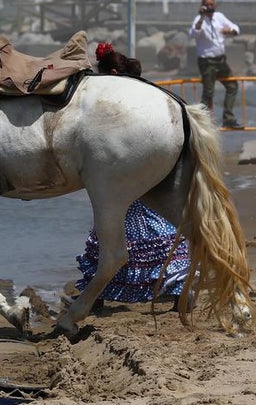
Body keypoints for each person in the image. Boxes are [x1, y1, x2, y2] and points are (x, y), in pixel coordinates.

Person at [74, 43, 191, 308]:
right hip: (144, 172)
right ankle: (179, 289)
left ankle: (96, 296)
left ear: (112, 73)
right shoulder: (143, 96)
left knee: (114, 230)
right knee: (151, 226)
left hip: (124, 176)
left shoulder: (121, 103)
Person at [188, 0, 245, 129]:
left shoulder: (219, 16)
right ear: (202, 5)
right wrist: (202, 17)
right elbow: (194, 33)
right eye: (207, 4)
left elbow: (236, 28)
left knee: (232, 86)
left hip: (221, 60)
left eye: (212, 4)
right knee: (208, 92)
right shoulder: (198, 20)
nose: (210, 7)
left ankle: (228, 118)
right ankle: (201, 123)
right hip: (207, 61)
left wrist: (230, 31)